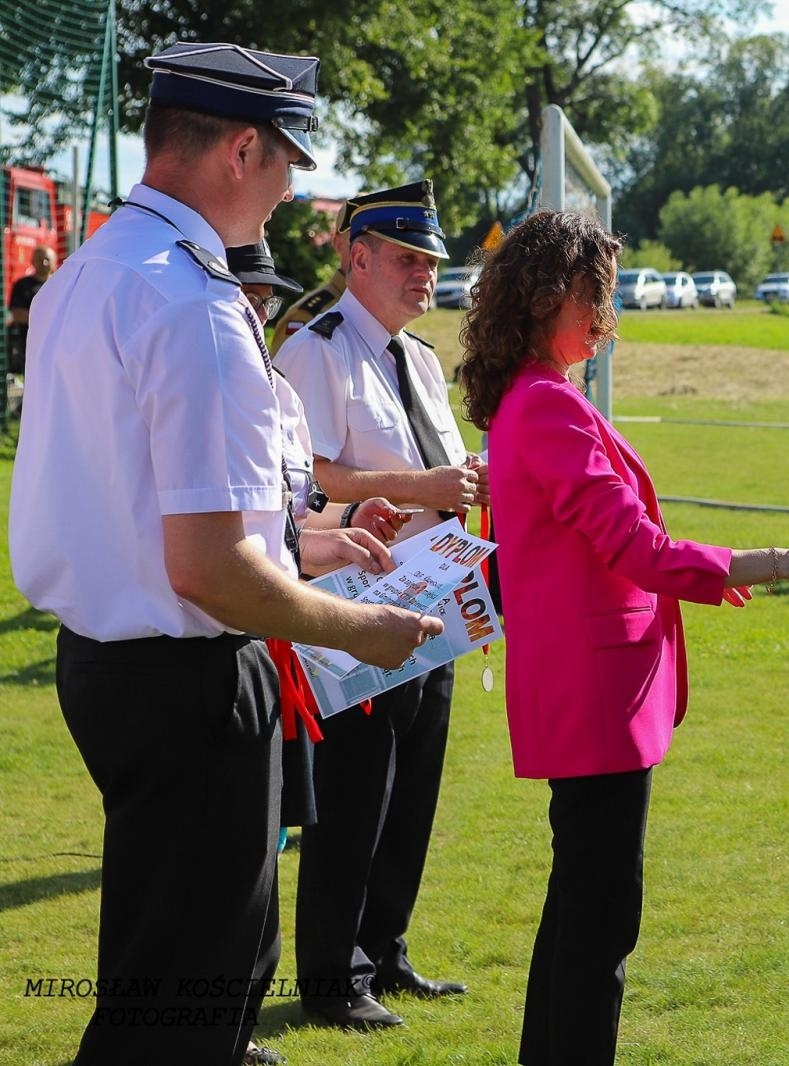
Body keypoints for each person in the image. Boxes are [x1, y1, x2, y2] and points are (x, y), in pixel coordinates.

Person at [7, 42, 441, 1066]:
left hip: (111, 662)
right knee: (183, 1010)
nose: (292, 193)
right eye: (289, 161)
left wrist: (312, 542)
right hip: (191, 677)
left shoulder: (90, 273)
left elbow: (157, 517)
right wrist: (364, 630)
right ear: (242, 149)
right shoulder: (193, 305)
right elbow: (209, 569)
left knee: (172, 982)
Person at [454, 210, 789, 1065]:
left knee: (581, 912)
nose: (607, 321)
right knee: (600, 926)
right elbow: (637, 548)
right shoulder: (547, 408)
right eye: (596, 298)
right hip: (593, 697)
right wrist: (785, 561)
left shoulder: (538, 401)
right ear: (551, 298)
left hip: (593, 689)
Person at [276, 179, 479, 1030]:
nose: (424, 275)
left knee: (413, 788)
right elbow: (308, 478)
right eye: (407, 258)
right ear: (356, 257)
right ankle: (331, 976)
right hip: (357, 596)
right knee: (357, 792)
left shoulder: (422, 358)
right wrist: (422, 484)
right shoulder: (315, 350)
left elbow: (449, 471)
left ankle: (384, 949)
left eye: (431, 261)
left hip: (435, 591)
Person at [271, 197, 354, 353]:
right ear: (337, 243)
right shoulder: (307, 315)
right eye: (357, 239)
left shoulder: (394, 310)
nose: (370, 251)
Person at [5, 243, 55, 378]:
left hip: (57, 346)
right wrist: (47, 322)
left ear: (54, 261)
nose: (44, 263)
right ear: (32, 261)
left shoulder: (59, 284)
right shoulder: (22, 285)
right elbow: (17, 314)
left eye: (47, 259)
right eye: (40, 259)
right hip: (30, 346)